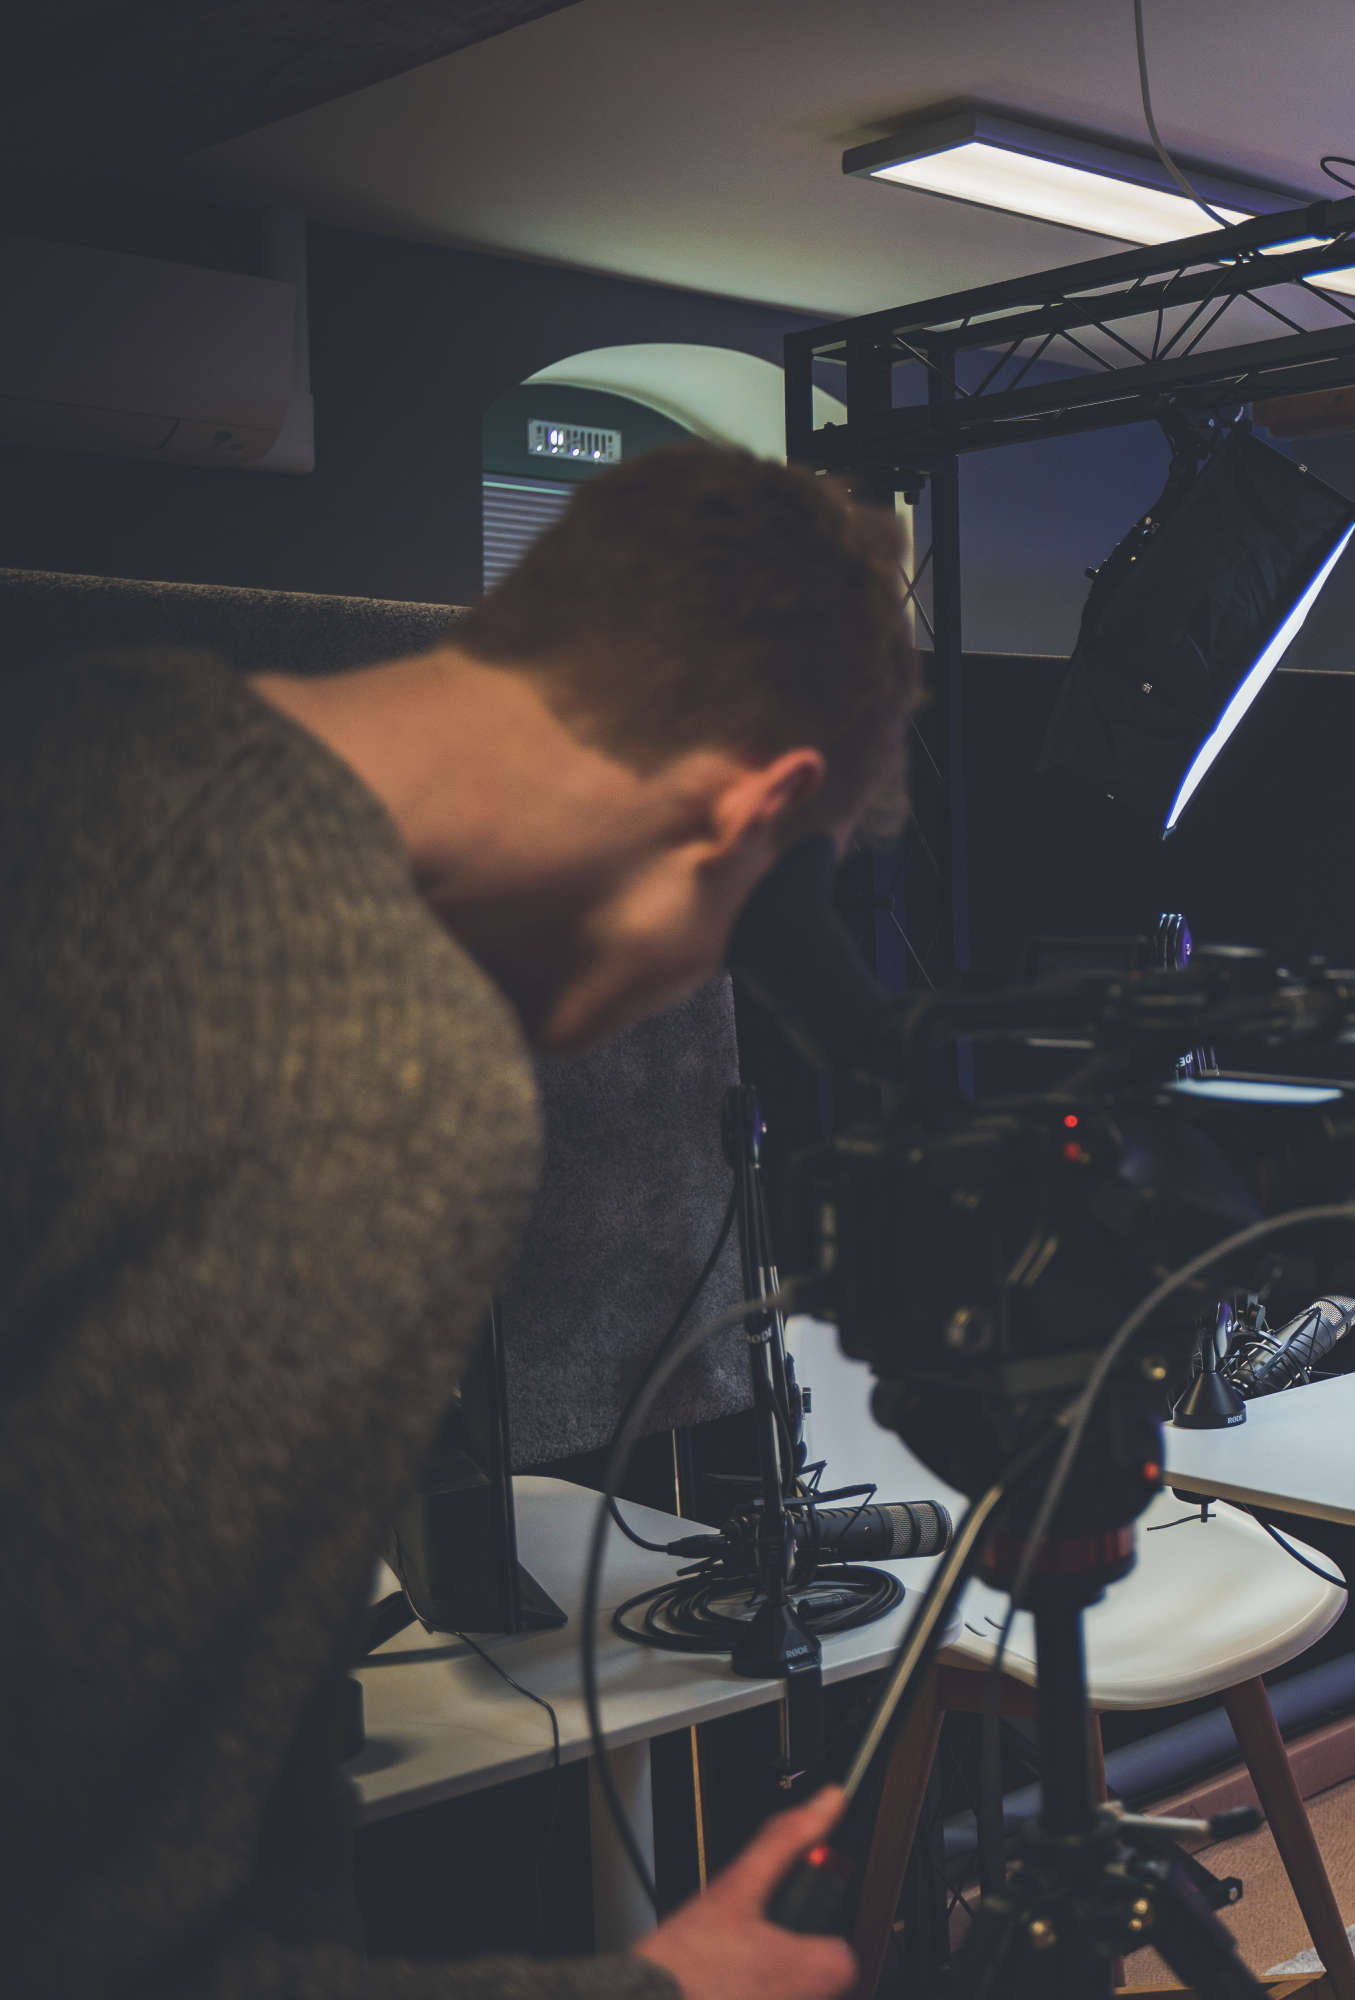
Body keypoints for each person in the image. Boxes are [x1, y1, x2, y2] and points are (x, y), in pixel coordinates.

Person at [0, 444, 923, 2000]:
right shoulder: (384, 1074)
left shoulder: (98, 728)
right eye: (750, 927)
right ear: (752, 808)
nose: (701, 986)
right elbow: (95, 1949)